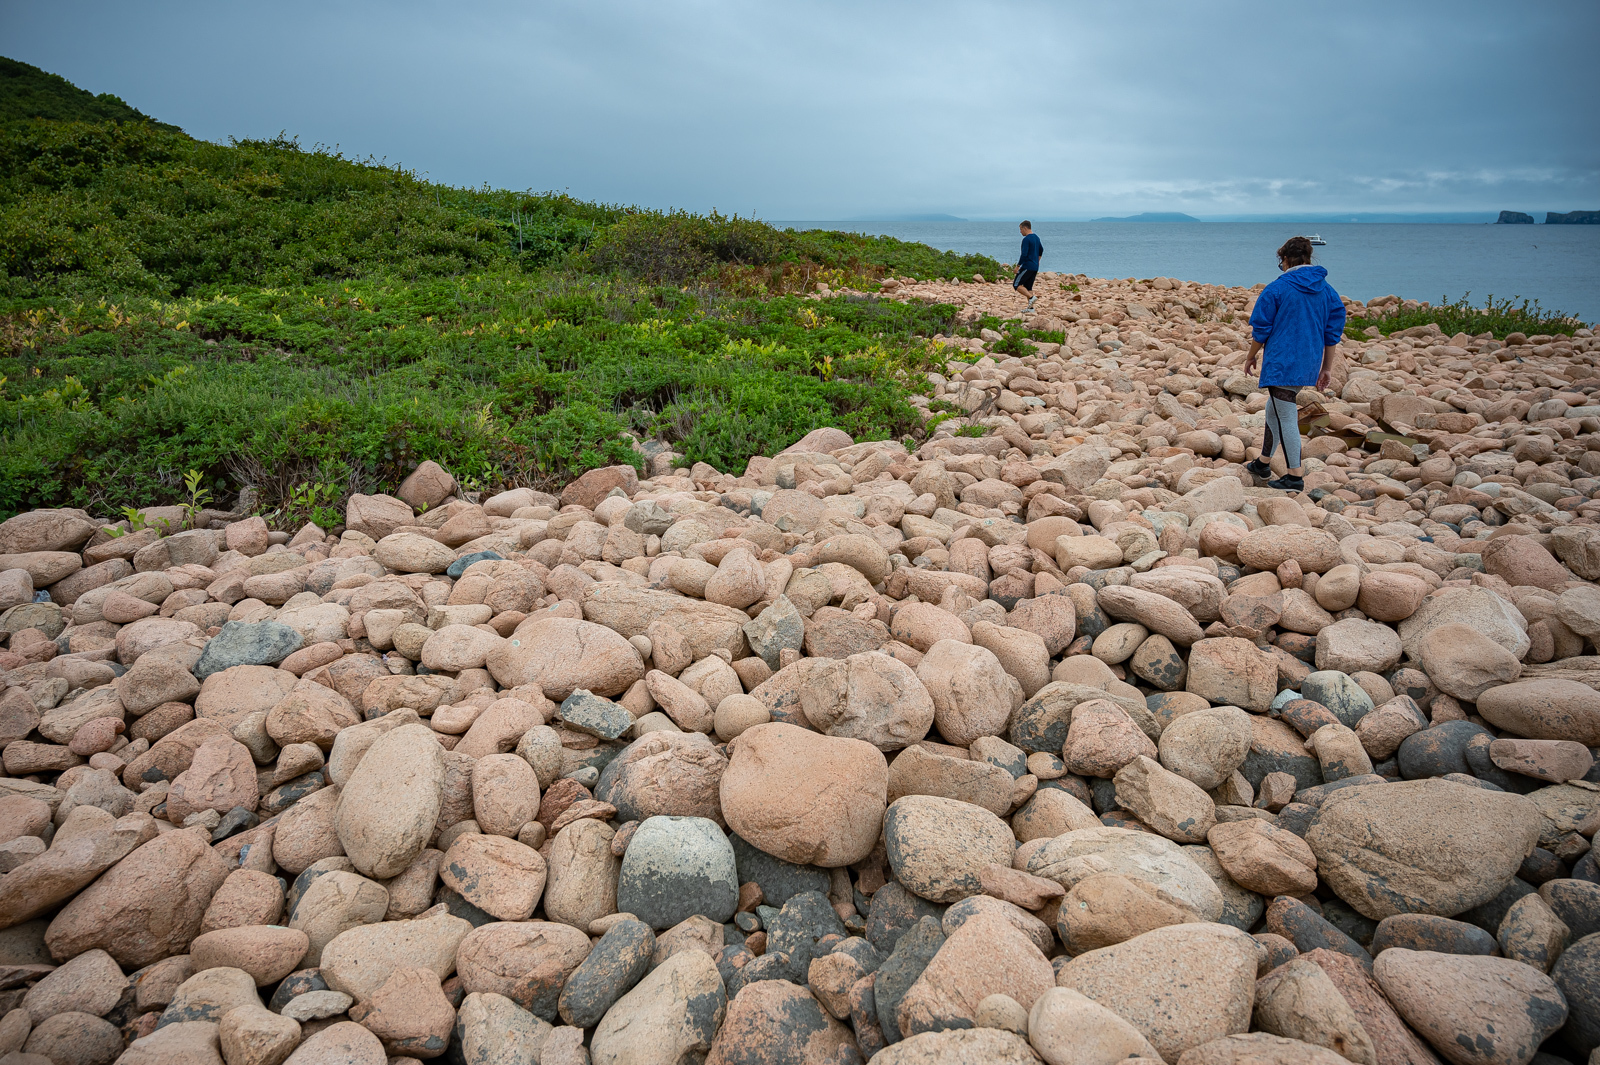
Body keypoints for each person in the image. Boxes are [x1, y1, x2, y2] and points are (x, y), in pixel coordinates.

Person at [1244, 235, 1345, 492]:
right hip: (1309, 361)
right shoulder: (1327, 291)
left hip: (1282, 361)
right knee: (1274, 408)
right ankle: (1263, 462)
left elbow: (1262, 329)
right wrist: (1326, 368)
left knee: (1286, 414)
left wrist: (1251, 355)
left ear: (1285, 259)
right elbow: (1332, 333)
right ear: (1309, 258)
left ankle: (1294, 476)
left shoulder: (1277, 288)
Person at [1014, 221, 1043, 312]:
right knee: (1028, 287)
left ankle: (1031, 297)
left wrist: (1018, 266)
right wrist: (1037, 261)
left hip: (1027, 266)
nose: (1020, 232)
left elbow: (1024, 255)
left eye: (1020, 229)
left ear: (1025, 228)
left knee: (1016, 284)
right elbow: (1041, 250)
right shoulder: (1036, 238)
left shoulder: (1026, 239)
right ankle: (1031, 308)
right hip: (1035, 266)